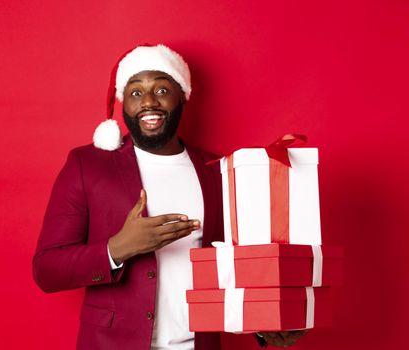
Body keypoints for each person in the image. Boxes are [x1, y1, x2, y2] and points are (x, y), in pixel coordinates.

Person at [33, 44, 305, 349]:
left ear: (182, 96)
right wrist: (118, 249)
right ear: (123, 103)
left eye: (162, 89)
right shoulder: (87, 165)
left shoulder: (218, 170)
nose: (149, 101)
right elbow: (47, 269)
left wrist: (264, 323)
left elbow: (236, 265)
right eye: (136, 92)